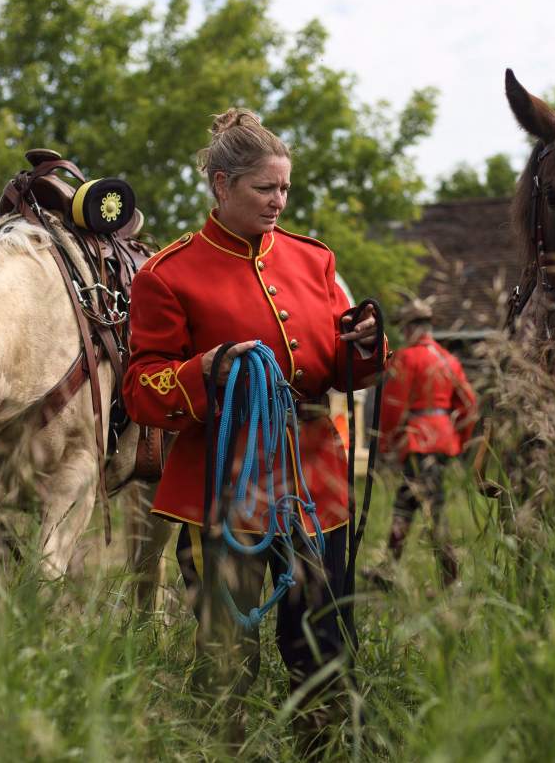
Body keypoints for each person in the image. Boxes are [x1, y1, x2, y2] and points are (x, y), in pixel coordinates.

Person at [122, 108, 385, 751]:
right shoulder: (167, 274)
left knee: (323, 644)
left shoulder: (313, 260)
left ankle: (320, 750)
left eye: (285, 188)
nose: (279, 202)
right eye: (264, 189)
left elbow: (338, 370)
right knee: (225, 658)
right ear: (220, 184)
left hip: (314, 480)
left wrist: (364, 347)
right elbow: (140, 387)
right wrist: (202, 371)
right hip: (219, 487)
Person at [375, 298, 478, 586]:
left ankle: (450, 573)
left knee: (432, 507)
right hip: (443, 442)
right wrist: (459, 439)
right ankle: (387, 570)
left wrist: (385, 443)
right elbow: (470, 405)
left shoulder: (407, 357)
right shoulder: (449, 359)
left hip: (418, 441)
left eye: (404, 327)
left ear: (410, 327)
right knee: (407, 504)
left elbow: (393, 406)